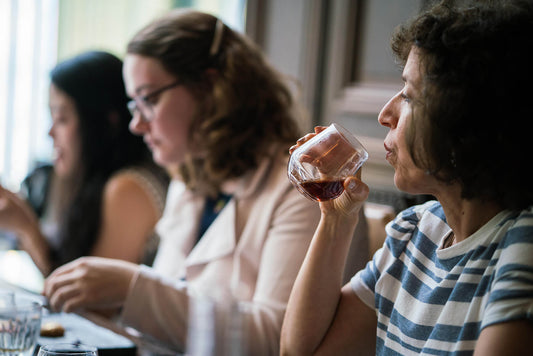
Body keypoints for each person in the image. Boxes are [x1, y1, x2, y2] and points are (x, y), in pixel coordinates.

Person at [40, 10, 370, 355]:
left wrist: (131, 288)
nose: (136, 124)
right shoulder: (190, 180)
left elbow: (277, 337)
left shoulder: (303, 186)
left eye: (149, 99)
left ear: (211, 88)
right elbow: (169, 315)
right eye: (132, 104)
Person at [280, 0, 533, 355]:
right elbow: (301, 352)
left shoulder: (522, 245)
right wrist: (336, 219)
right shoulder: (415, 231)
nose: (386, 114)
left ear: (467, 122)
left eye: (410, 96)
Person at [0, 51, 169, 276]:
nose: (50, 132)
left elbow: (92, 303)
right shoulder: (89, 183)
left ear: (105, 122)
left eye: (62, 119)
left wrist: (28, 229)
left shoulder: (129, 188)